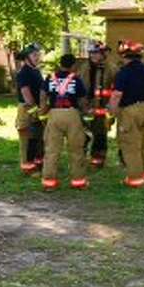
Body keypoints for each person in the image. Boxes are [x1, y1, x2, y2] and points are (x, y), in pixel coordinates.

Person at [108, 41, 144, 188]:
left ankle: (135, 180)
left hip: (130, 111)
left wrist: (112, 111)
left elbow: (117, 95)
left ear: (124, 57)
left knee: (130, 146)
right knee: (143, 144)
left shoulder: (123, 73)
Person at [40, 53, 90, 191]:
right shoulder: (76, 79)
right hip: (71, 114)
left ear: (60, 64)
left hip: (54, 114)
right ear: (73, 65)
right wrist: (86, 112)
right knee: (76, 149)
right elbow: (82, 100)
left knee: (52, 150)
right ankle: (78, 182)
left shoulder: (50, 78)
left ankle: (49, 183)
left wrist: (42, 112)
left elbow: (43, 95)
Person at [76, 41, 115, 168]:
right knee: (82, 134)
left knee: (100, 134)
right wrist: (82, 105)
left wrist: (111, 106)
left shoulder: (111, 69)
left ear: (103, 54)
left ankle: (98, 160)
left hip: (102, 108)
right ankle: (80, 158)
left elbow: (117, 89)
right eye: (91, 53)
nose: (93, 55)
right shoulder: (84, 67)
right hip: (85, 107)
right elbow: (79, 86)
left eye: (96, 53)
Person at [13, 43, 45, 174]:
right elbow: (26, 94)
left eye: (38, 55)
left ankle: (38, 164)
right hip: (27, 110)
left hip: (36, 109)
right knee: (27, 139)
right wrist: (34, 111)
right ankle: (27, 167)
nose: (37, 57)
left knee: (37, 138)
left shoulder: (36, 70)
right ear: (26, 58)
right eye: (34, 55)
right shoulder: (24, 72)